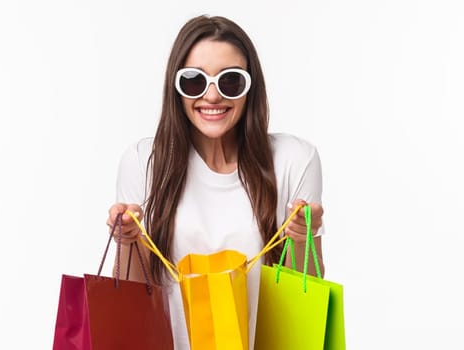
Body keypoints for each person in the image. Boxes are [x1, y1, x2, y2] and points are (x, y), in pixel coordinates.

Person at [105, 15, 326, 349]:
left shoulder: (294, 159)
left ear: (251, 87)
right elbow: (133, 299)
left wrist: (300, 238)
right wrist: (127, 241)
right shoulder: (144, 161)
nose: (211, 96)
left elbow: (306, 297)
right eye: (194, 81)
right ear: (175, 88)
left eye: (230, 81)